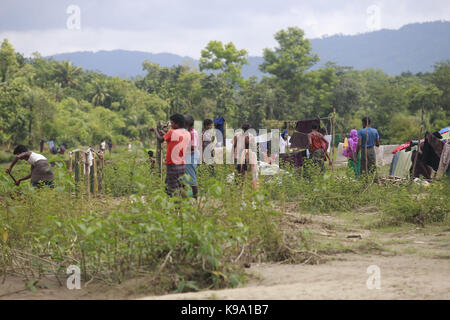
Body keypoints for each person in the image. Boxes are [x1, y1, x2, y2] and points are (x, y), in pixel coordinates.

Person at [150, 114, 190, 197]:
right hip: (182, 164)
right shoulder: (187, 133)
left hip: (172, 164)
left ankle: (177, 208)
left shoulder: (172, 132)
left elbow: (160, 140)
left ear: (177, 124)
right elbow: (173, 141)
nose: (171, 125)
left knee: (173, 189)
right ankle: (189, 203)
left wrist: (155, 130)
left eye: (172, 123)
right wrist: (165, 133)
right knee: (179, 186)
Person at [233, 124, 258, 189]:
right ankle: (238, 187)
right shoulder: (237, 135)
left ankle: (247, 188)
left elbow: (253, 147)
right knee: (239, 172)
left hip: (248, 157)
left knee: (249, 173)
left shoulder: (251, 136)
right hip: (239, 157)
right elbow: (234, 145)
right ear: (242, 129)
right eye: (244, 130)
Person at [184, 115, 200, 199]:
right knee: (183, 177)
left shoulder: (193, 133)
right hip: (189, 155)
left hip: (192, 155)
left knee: (192, 179)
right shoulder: (189, 132)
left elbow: (192, 147)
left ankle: (195, 199)